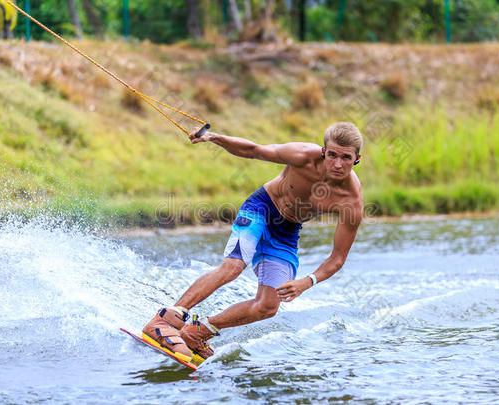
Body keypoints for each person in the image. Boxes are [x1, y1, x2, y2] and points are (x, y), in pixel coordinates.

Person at [142, 122, 364, 360]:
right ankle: (166, 318)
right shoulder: (302, 156)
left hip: (286, 232)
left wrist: (307, 281)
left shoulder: (350, 201)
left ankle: (196, 333)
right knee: (234, 265)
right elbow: (254, 150)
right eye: (332, 155)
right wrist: (214, 137)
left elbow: (337, 258)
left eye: (346, 158)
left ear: (357, 158)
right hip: (262, 208)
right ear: (323, 151)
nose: (338, 164)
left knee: (268, 306)